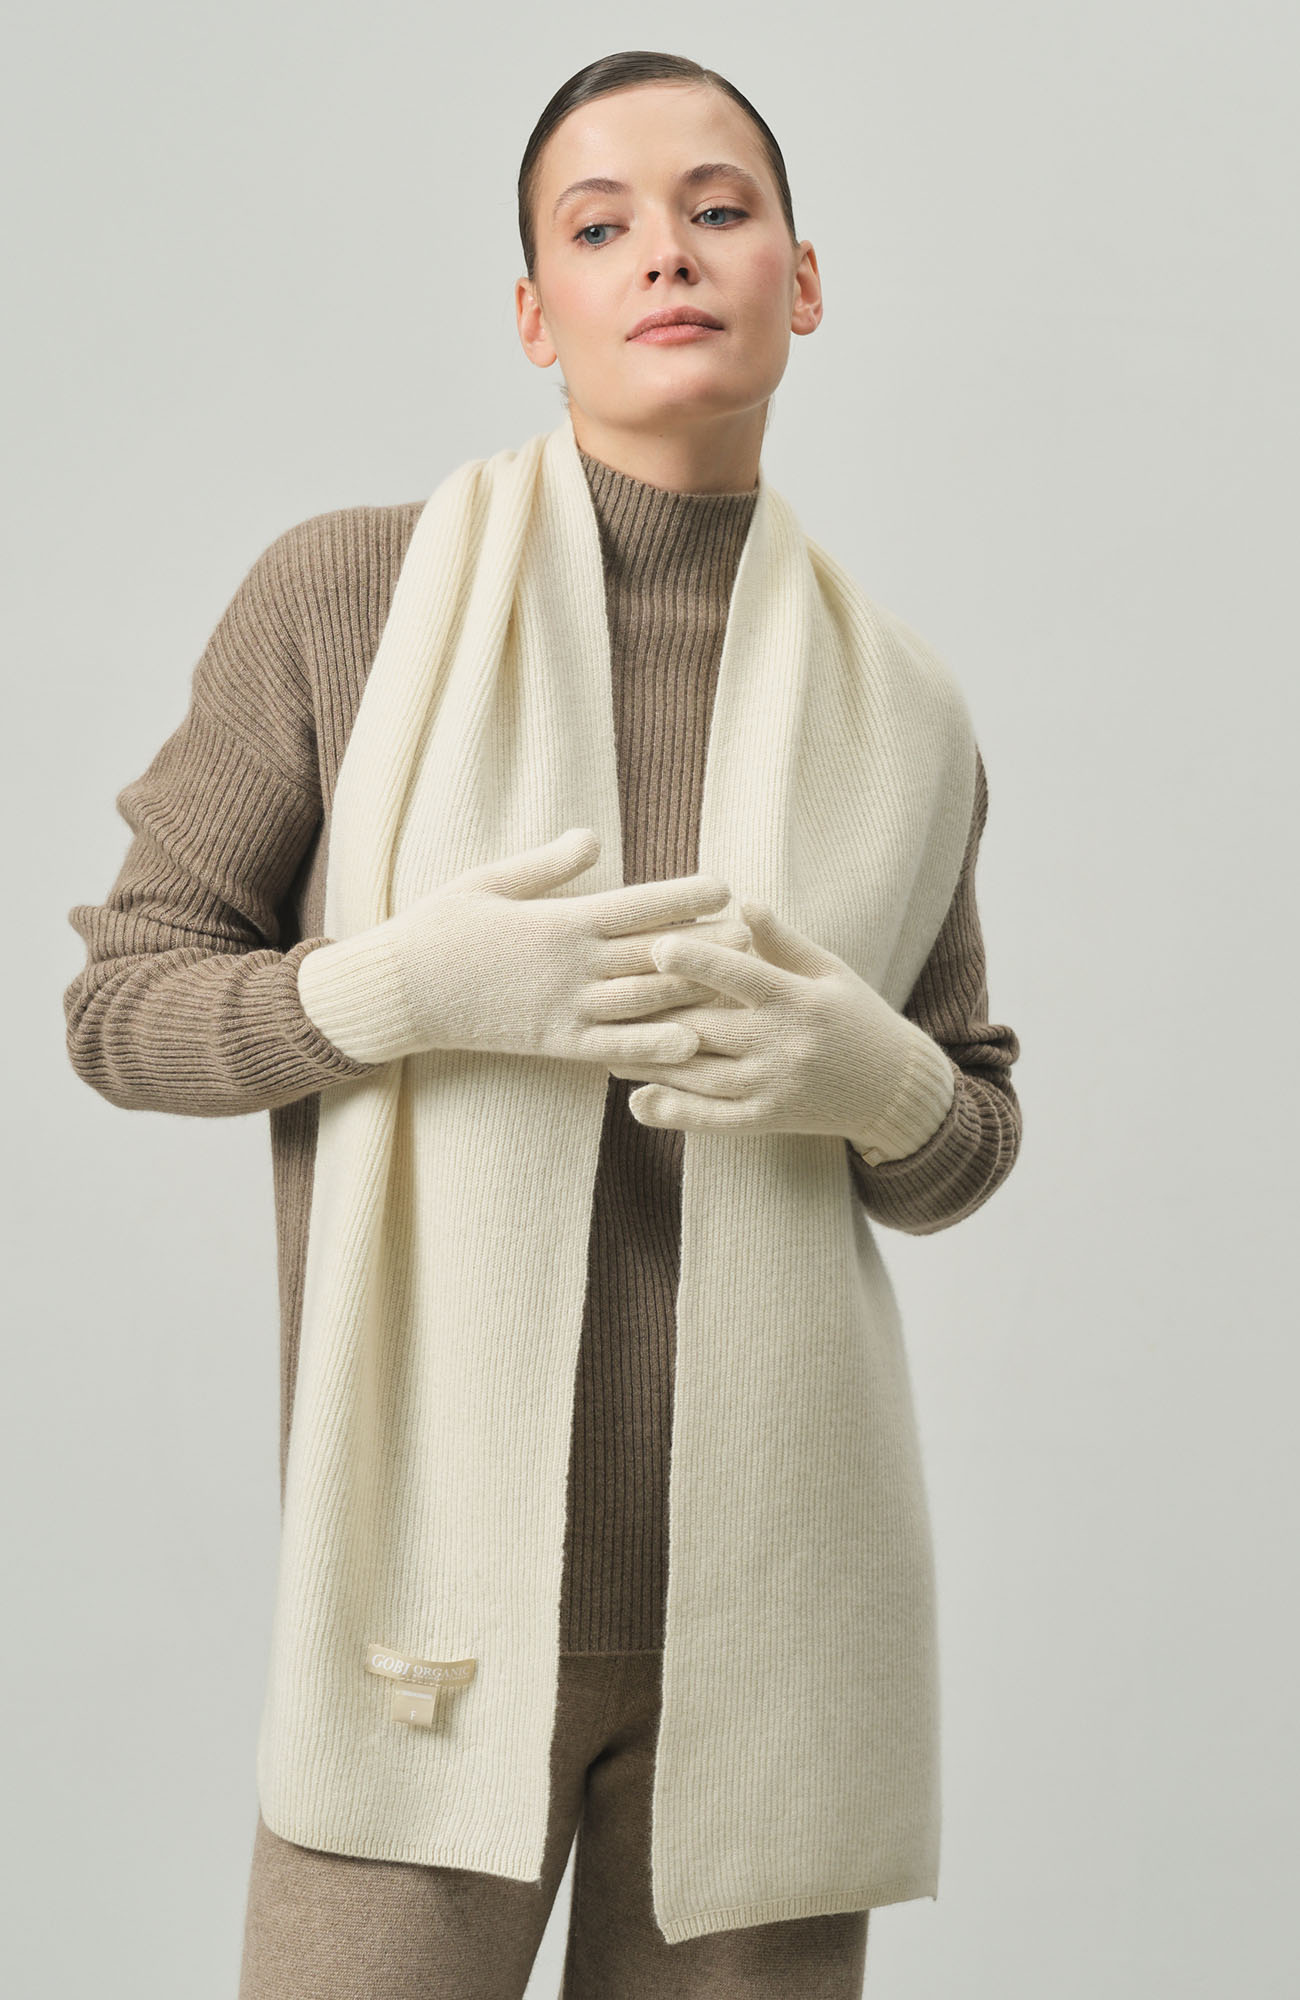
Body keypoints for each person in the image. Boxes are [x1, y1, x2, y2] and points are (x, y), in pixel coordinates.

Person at [63, 48, 1022, 2000]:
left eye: (717, 209)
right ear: (535, 311)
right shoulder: (350, 600)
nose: (665, 252)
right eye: (601, 226)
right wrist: (393, 991)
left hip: (775, 1629)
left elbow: (966, 1138)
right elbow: (123, 1004)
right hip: (420, 1610)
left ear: (801, 281)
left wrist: (881, 1078)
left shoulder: (906, 711)